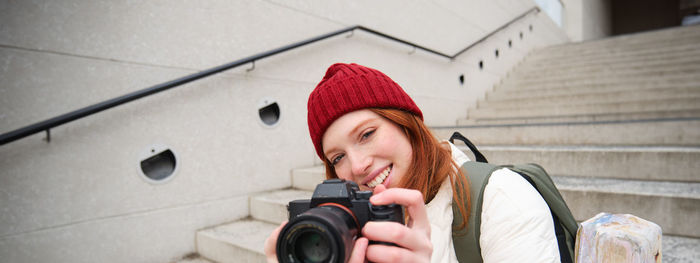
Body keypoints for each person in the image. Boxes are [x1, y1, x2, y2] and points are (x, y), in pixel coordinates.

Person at [264, 63, 561, 262]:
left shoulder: (504, 200)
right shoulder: (348, 232)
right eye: (338, 157)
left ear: (407, 125)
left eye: (367, 134)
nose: (356, 166)